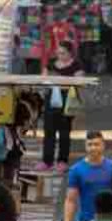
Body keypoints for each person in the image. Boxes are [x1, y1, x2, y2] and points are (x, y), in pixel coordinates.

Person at [64, 130, 112, 221]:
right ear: (85, 147)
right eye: (90, 145)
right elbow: (70, 200)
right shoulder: (76, 170)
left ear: (103, 146)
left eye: (96, 144)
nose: (93, 148)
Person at [40, 42, 84, 172]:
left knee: (64, 132)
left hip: (67, 101)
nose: (60, 55)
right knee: (49, 132)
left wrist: (60, 80)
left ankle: (62, 160)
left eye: (63, 53)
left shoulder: (76, 65)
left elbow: (79, 81)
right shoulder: (51, 64)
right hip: (51, 101)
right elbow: (44, 78)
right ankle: (46, 161)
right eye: (58, 53)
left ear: (70, 53)